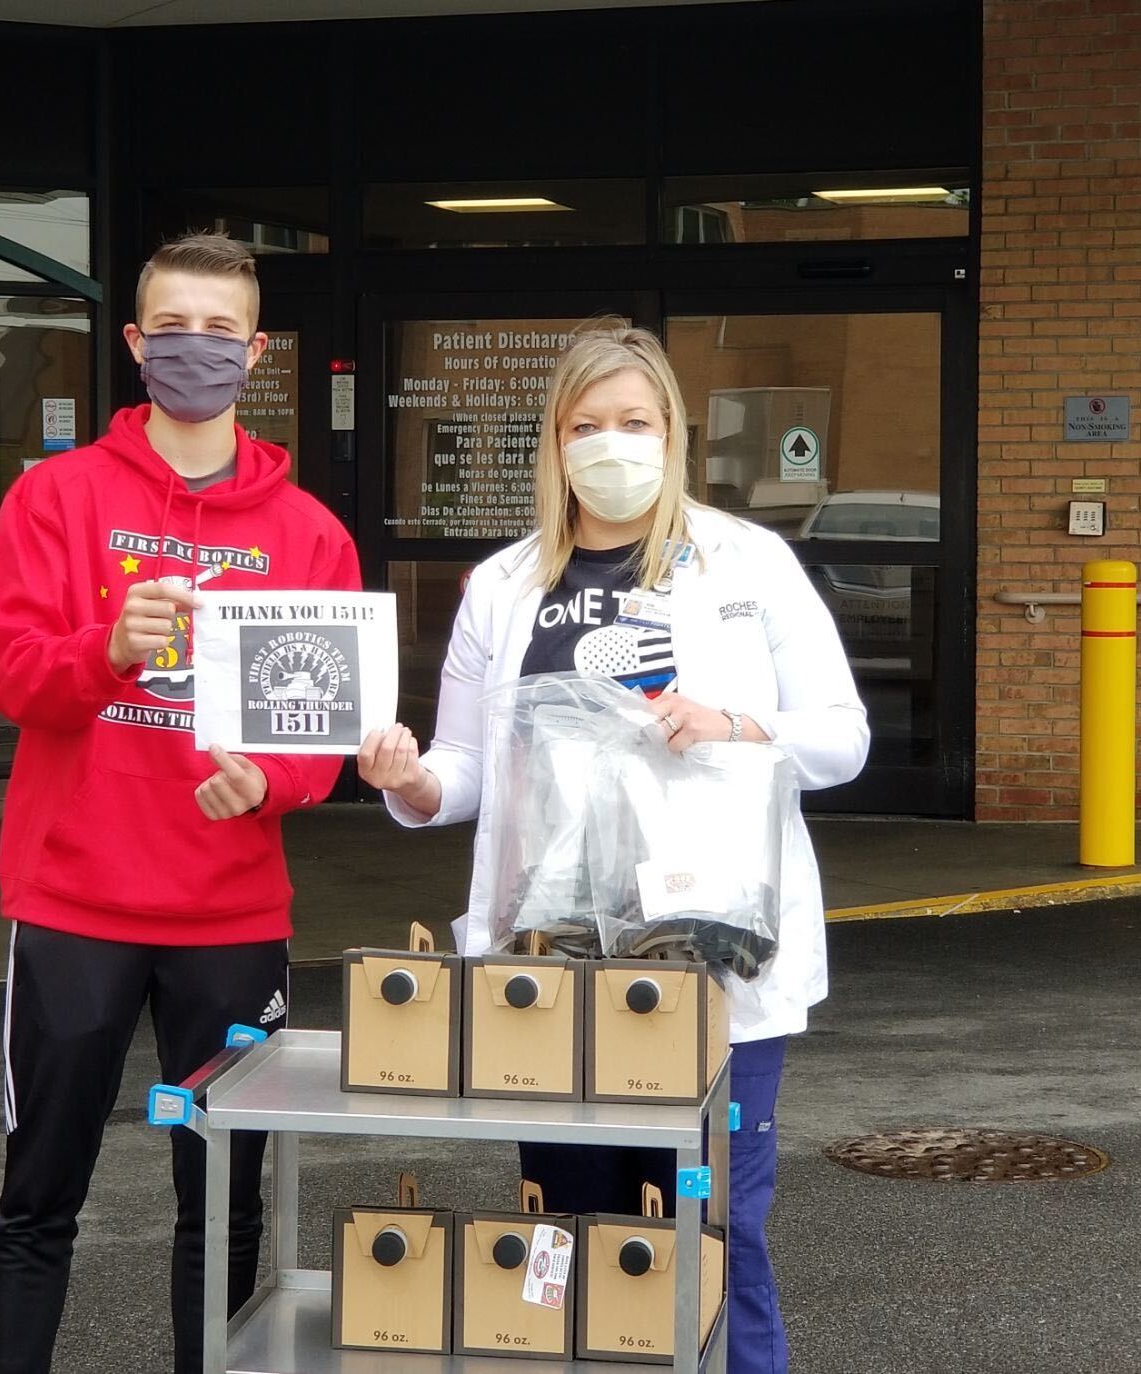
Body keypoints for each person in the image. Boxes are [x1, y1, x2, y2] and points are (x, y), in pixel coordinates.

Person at [357, 319, 868, 1373]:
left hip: (711, 961)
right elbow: (458, 772)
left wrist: (731, 723)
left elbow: (842, 739)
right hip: (546, 973)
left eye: (634, 421)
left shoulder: (747, 563)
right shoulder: (502, 586)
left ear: (672, 432)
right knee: (569, 1230)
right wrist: (409, 781)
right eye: (586, 424)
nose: (610, 444)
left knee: (716, 1231)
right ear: (553, 440)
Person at [0, 232, 360, 1373]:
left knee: (224, 1209)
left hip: (230, 918)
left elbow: (317, 746)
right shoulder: (57, 497)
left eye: (222, 332)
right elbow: (12, 679)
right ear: (138, 343)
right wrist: (106, 648)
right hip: (75, 906)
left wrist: (269, 781)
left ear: (255, 351)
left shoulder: (307, 536)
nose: (199, 350)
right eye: (174, 329)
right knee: (38, 1198)